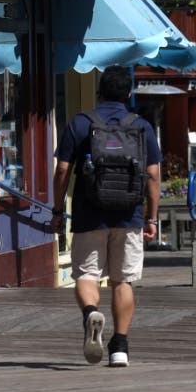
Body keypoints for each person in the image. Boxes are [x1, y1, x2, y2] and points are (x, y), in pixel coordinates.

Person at [51, 65, 161, 366]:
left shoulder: (80, 123)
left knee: (87, 275)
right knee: (123, 280)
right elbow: (152, 175)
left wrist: (58, 210)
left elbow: (63, 170)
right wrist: (151, 218)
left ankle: (90, 313)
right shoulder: (142, 126)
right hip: (129, 215)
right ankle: (120, 347)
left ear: (99, 91)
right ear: (128, 93)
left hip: (89, 213)